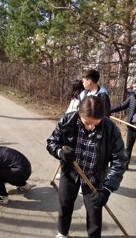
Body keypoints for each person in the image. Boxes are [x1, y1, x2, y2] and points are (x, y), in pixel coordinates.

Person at [46, 96, 127, 238]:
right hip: (70, 172)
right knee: (65, 204)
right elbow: (52, 142)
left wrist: (107, 189)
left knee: (94, 211)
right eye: (87, 123)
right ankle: (62, 233)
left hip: (94, 176)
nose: (91, 127)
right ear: (79, 114)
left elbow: (119, 161)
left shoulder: (111, 129)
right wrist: (60, 152)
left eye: (95, 123)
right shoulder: (67, 120)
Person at [111, 80, 136, 169]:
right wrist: (109, 110)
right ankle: (125, 165)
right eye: (133, 87)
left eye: (135, 87)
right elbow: (121, 106)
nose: (134, 89)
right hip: (131, 127)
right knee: (128, 148)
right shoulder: (132, 98)